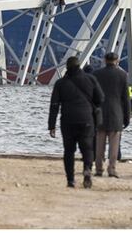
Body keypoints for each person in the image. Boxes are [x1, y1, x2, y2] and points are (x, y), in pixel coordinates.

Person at [48, 56, 104, 189]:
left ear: (67, 68)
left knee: (69, 151)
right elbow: (100, 98)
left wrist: (51, 125)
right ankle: (87, 170)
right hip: (87, 119)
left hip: (67, 121)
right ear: (79, 66)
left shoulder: (60, 83)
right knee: (87, 147)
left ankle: (71, 180)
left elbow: (54, 105)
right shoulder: (91, 79)